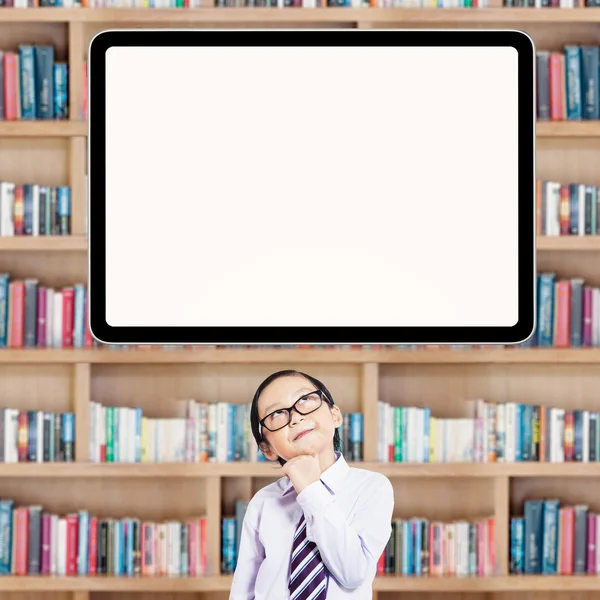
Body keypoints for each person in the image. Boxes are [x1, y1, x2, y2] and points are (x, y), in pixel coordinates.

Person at [229, 369, 394, 600]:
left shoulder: (372, 488)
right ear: (267, 448)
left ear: (335, 415)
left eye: (305, 399)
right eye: (277, 413)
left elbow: (353, 573)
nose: (295, 417)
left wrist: (311, 490)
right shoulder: (264, 502)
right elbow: (242, 590)